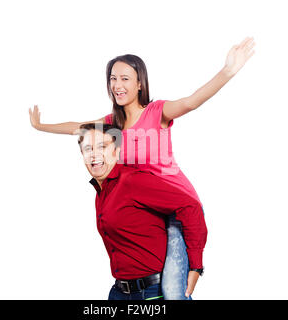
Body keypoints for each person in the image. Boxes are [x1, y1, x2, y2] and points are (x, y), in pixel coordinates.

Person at [29, 37, 255, 299]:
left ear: (139, 84)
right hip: (147, 207)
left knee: (172, 289)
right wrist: (40, 127)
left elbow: (191, 102)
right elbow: (78, 127)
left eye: (125, 78)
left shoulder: (156, 112)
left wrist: (227, 71)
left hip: (177, 206)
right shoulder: (111, 124)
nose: (117, 85)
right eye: (113, 78)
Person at [78, 123, 207, 300]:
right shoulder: (102, 190)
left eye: (102, 146)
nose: (94, 154)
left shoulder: (133, 181)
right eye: (88, 148)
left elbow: (190, 206)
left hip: (152, 293)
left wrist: (196, 266)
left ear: (116, 151)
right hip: (119, 292)